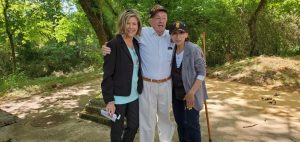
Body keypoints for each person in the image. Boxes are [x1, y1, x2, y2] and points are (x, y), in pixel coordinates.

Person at [102, 4, 175, 142]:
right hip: (146, 85)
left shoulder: (171, 36)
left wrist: (196, 50)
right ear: (150, 21)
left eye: (164, 18)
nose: (161, 21)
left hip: (164, 85)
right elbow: (120, 39)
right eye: (157, 18)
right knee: (146, 121)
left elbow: (184, 42)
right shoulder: (142, 34)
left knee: (164, 118)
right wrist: (105, 47)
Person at [101, 9, 143, 142]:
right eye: (128, 23)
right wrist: (110, 101)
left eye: (134, 24)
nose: (131, 27)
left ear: (138, 26)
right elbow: (107, 75)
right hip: (118, 98)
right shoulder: (113, 45)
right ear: (122, 24)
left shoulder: (136, 44)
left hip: (134, 95)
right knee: (117, 131)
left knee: (134, 126)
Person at [169, 21, 207, 142]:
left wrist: (191, 93)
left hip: (191, 94)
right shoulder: (171, 50)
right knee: (181, 124)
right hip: (176, 95)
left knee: (192, 125)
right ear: (171, 36)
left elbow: (202, 73)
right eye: (174, 33)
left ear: (186, 34)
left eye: (181, 33)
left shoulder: (194, 49)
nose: (178, 36)